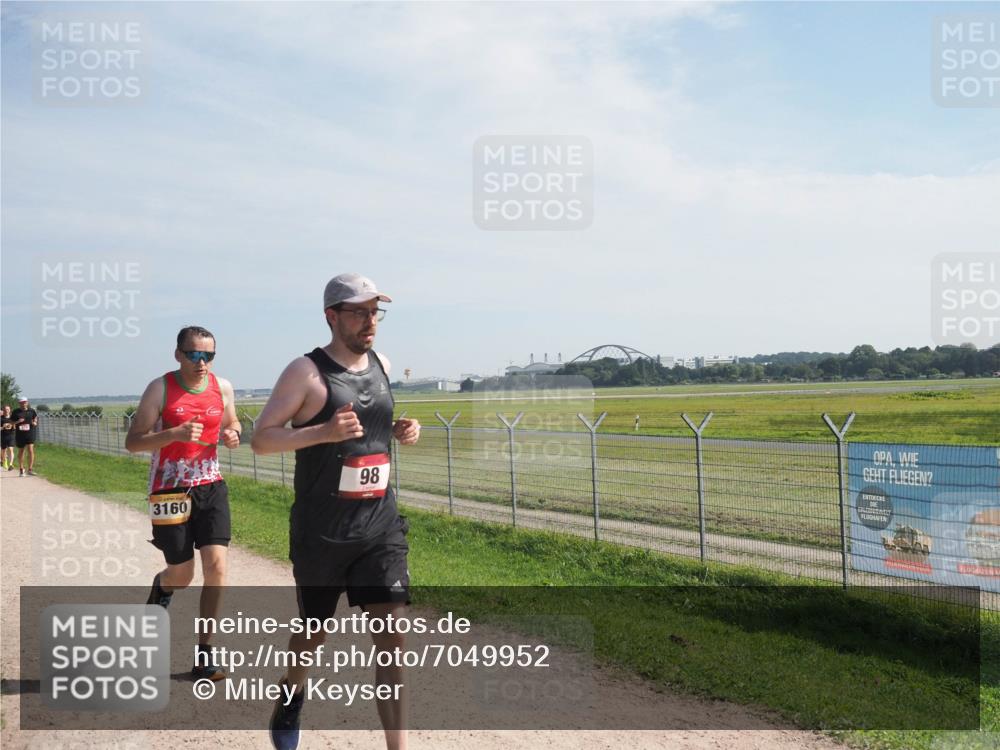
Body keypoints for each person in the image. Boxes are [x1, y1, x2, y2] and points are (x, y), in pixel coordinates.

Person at [251, 273, 420, 750]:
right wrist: (320, 433)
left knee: (392, 635)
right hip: (323, 532)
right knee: (313, 634)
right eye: (359, 312)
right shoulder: (305, 372)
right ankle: (292, 692)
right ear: (332, 316)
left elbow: (373, 431)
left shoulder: (382, 364)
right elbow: (263, 438)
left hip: (379, 525)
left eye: (375, 312)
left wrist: (405, 429)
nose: (371, 322)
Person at [125, 325, 241, 681]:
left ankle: (205, 655)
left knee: (217, 567)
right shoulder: (159, 389)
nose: (202, 361)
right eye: (194, 354)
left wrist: (233, 433)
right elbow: (134, 442)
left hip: (211, 486)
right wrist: (172, 434)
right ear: (178, 354)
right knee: (183, 574)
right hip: (170, 490)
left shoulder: (222, 387)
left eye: (208, 355)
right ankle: (163, 587)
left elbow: (232, 420)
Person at [12, 397, 39, 476]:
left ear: (27, 402)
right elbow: (11, 423)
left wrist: (34, 423)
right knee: (21, 451)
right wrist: (18, 421)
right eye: (21, 402)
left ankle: (30, 469)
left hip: (30, 433)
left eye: (24, 402)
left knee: (31, 450)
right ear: (19, 403)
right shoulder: (16, 412)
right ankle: (21, 469)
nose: (23, 404)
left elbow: (35, 418)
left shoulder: (32, 411)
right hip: (20, 434)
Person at [1, 404, 15, 470]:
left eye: (8, 409)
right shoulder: (1, 419)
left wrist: (13, 426)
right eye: (5, 409)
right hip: (3, 436)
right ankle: (5, 462)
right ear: (3, 410)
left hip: (11, 436)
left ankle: (11, 464)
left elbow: (15, 427)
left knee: (10, 449)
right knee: (3, 450)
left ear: (10, 410)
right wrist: (3, 427)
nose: (6, 411)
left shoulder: (12, 418)